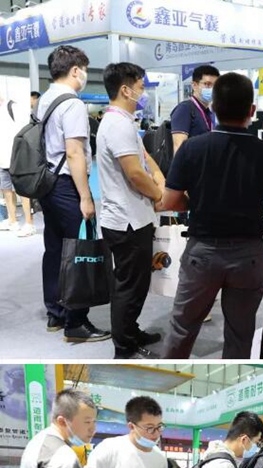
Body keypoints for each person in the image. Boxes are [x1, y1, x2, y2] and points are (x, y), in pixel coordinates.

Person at [161, 73, 263, 360]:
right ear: (252, 110)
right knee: (240, 333)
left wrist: (197, 203)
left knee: (182, 328)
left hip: (202, 253)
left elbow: (169, 201)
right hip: (249, 255)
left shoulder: (192, 148)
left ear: (214, 107)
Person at [37, 46, 110, 344]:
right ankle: (76, 322)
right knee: (80, 250)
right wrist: (86, 197)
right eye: (85, 70)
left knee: (55, 248)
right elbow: (74, 152)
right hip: (67, 184)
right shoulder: (72, 104)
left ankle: (56, 312)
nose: (85, 76)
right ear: (76, 70)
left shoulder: (45, 99)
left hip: (47, 183)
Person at [96, 64, 165, 360]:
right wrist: (159, 194)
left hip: (132, 217)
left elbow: (144, 158)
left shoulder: (122, 121)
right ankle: (124, 346)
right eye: (140, 86)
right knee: (129, 286)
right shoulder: (118, 124)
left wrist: (158, 177)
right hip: (127, 221)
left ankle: (130, 331)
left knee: (136, 283)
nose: (143, 92)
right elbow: (135, 174)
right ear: (125, 90)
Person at [0, 96, 35, 236]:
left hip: (16, 158)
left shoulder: (12, 107)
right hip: (2, 158)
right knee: (6, 190)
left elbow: (25, 132)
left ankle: (29, 223)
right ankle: (12, 220)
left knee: (23, 191)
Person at [171, 64, 220, 153]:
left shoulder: (209, 112)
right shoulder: (184, 109)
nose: (212, 89)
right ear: (194, 85)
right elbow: (179, 148)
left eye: (215, 85)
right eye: (207, 84)